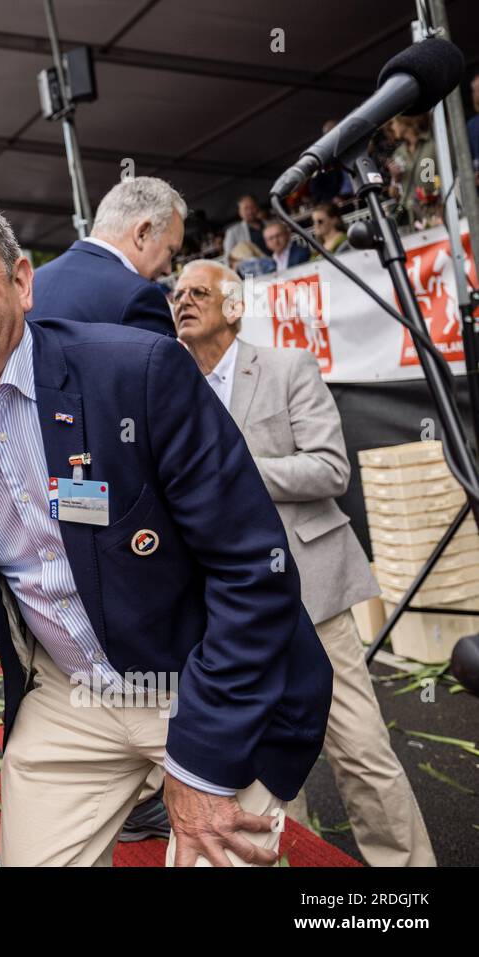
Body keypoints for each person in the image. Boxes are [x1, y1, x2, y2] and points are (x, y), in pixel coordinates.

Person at [0, 195, 332, 867]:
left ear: (22, 280)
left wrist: (201, 767)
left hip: (197, 677)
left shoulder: (139, 374)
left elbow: (255, 573)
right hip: (70, 698)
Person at [174, 259, 435, 867]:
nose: (182, 301)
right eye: (176, 292)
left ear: (234, 307)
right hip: (226, 607)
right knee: (260, 760)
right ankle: (297, 856)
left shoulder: (287, 366)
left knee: (361, 750)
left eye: (198, 292)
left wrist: (234, 474)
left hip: (309, 594)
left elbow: (330, 468)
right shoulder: (172, 383)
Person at [27, 176, 182, 336]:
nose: (168, 270)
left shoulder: (31, 285)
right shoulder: (140, 296)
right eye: (171, 251)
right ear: (142, 233)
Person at [222, 193, 267, 260]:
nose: (250, 211)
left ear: (257, 207)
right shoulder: (233, 232)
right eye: (246, 208)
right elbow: (228, 258)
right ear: (240, 212)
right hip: (254, 268)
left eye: (252, 207)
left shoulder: (271, 223)